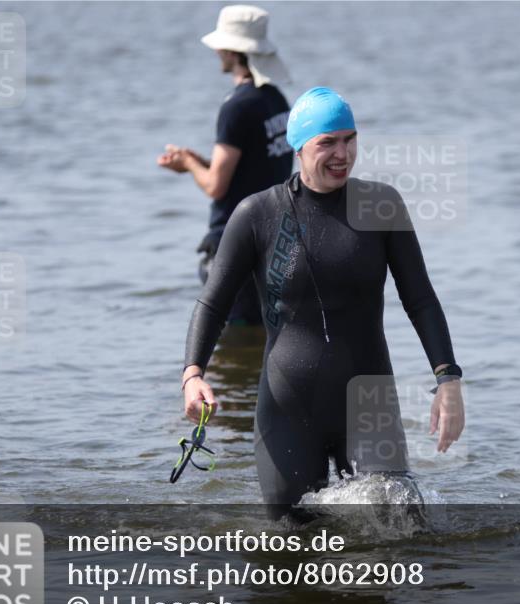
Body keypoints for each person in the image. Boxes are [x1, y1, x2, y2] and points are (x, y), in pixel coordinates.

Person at [181, 87, 465, 519]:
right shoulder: (257, 215)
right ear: (298, 147)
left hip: (369, 402)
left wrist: (448, 381)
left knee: (400, 522)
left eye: (350, 139)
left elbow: (420, 298)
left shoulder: (381, 205)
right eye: (327, 142)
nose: (342, 154)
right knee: (292, 543)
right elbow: (212, 303)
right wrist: (193, 374)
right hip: (288, 405)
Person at [158, 4, 294, 325]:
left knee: (232, 342)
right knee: (266, 338)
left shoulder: (237, 107)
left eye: (221, 45)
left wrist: (190, 165)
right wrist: (196, 161)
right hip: (273, 240)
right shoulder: (275, 99)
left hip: (235, 243)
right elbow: (256, 166)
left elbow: (216, 185)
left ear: (233, 51)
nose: (216, 51)